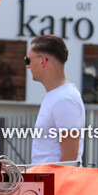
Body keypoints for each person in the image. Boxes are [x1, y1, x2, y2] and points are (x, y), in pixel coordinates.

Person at [27, 34, 86, 164]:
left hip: (55, 183)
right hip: (47, 181)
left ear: (43, 61)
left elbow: (70, 158)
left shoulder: (64, 99)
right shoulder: (57, 96)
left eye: (28, 60)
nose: (28, 66)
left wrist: (53, 184)